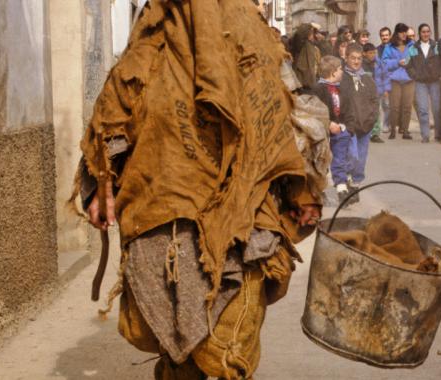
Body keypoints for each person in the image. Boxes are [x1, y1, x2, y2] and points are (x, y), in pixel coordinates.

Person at [78, 1, 322, 379]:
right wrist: (101, 186)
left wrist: (300, 193)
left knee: (226, 348)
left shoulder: (248, 35)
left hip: (241, 218)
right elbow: (112, 118)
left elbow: (279, 122)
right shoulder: (154, 37)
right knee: (176, 342)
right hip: (164, 215)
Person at [340, 43, 379, 200]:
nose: (356, 62)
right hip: (349, 127)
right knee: (353, 156)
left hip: (365, 126)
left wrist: (372, 120)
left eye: (358, 59)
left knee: (361, 159)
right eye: (352, 58)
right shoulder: (342, 78)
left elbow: (375, 101)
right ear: (346, 58)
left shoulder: (367, 79)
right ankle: (347, 178)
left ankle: (355, 185)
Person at [312, 56, 352, 202]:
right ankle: (318, 189)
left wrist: (346, 127)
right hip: (323, 132)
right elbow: (314, 111)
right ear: (333, 72)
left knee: (340, 160)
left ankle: (342, 188)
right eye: (340, 69)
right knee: (321, 160)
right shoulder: (317, 89)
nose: (342, 72)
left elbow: (346, 109)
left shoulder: (340, 88)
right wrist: (328, 124)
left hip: (340, 131)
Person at [406, 23, 441, 143]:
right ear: (419, 33)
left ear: (430, 33)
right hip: (420, 83)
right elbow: (408, 65)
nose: (426, 34)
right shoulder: (413, 48)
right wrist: (415, 76)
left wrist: (439, 74)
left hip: (435, 82)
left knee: (437, 109)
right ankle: (425, 135)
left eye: (428, 31)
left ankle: (438, 134)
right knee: (422, 109)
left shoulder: (437, 46)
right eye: (423, 32)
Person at [378, 23, 415, 140]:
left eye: (405, 32)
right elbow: (384, 63)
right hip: (395, 80)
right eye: (401, 32)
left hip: (409, 79)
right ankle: (393, 130)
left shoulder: (412, 45)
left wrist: (412, 69)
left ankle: (405, 130)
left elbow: (417, 60)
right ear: (396, 33)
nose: (404, 34)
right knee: (394, 107)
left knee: (407, 106)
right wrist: (397, 63)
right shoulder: (389, 47)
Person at [363, 43, 386, 144]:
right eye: (370, 53)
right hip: (365, 93)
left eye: (374, 52)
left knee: (376, 112)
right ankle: (365, 132)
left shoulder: (378, 62)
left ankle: (375, 134)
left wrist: (385, 89)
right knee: (366, 113)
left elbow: (384, 75)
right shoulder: (361, 64)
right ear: (364, 53)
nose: (373, 55)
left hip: (377, 91)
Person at [290, 23, 322, 92]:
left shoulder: (305, 45)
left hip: (302, 82)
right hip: (306, 83)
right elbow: (310, 67)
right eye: (313, 33)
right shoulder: (307, 46)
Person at [377, 27, 392, 136]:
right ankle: (384, 125)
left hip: (391, 79)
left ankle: (388, 124)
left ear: (390, 36)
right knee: (382, 105)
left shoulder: (393, 48)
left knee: (389, 105)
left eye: (386, 35)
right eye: (383, 35)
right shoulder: (377, 49)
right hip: (381, 80)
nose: (385, 37)